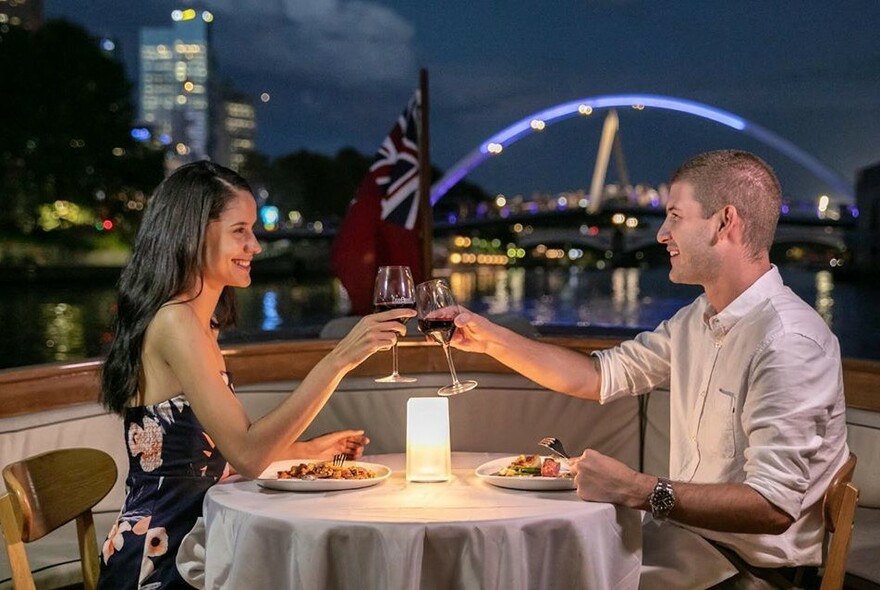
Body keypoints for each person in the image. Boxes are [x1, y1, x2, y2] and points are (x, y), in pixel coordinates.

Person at [450, 150, 849, 588]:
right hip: (689, 545)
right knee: (528, 563)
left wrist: (635, 488)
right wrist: (490, 339)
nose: (661, 234)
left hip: (751, 574)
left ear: (724, 222)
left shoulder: (788, 342)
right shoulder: (697, 320)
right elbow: (598, 376)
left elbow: (771, 506)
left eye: (675, 216)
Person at [97, 161, 415, 589]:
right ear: (195, 234)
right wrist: (338, 359)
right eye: (240, 231)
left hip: (193, 541)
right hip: (162, 562)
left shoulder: (196, 322)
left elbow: (206, 456)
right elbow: (248, 456)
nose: (256, 246)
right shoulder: (176, 322)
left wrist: (306, 452)